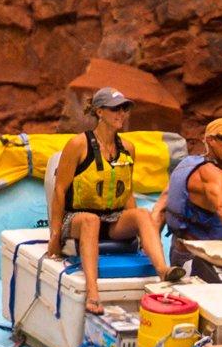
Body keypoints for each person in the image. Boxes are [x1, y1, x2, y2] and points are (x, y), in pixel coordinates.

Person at [45, 87, 179, 315]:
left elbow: (126, 191)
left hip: (112, 218)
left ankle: (163, 271)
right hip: (77, 218)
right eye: (115, 109)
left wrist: (137, 230)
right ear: (99, 111)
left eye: (124, 109)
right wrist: (55, 236)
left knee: (142, 214)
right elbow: (59, 190)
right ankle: (93, 294)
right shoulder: (78, 144)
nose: (122, 114)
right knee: (91, 220)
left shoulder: (128, 148)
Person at [161, 118, 222, 282]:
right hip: (197, 258)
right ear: (211, 140)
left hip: (182, 252)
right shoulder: (212, 174)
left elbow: (160, 209)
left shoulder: (187, 165)